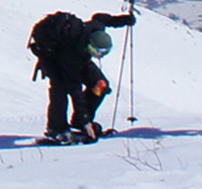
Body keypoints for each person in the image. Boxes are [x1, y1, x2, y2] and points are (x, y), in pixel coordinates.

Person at [31, 9, 136, 144]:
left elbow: (101, 18)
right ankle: (57, 129)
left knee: (101, 85)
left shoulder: (96, 29)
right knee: (60, 89)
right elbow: (76, 92)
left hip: (80, 58)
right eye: (98, 52)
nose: (100, 56)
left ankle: (79, 122)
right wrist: (86, 121)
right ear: (90, 47)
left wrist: (123, 20)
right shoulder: (73, 56)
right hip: (54, 59)